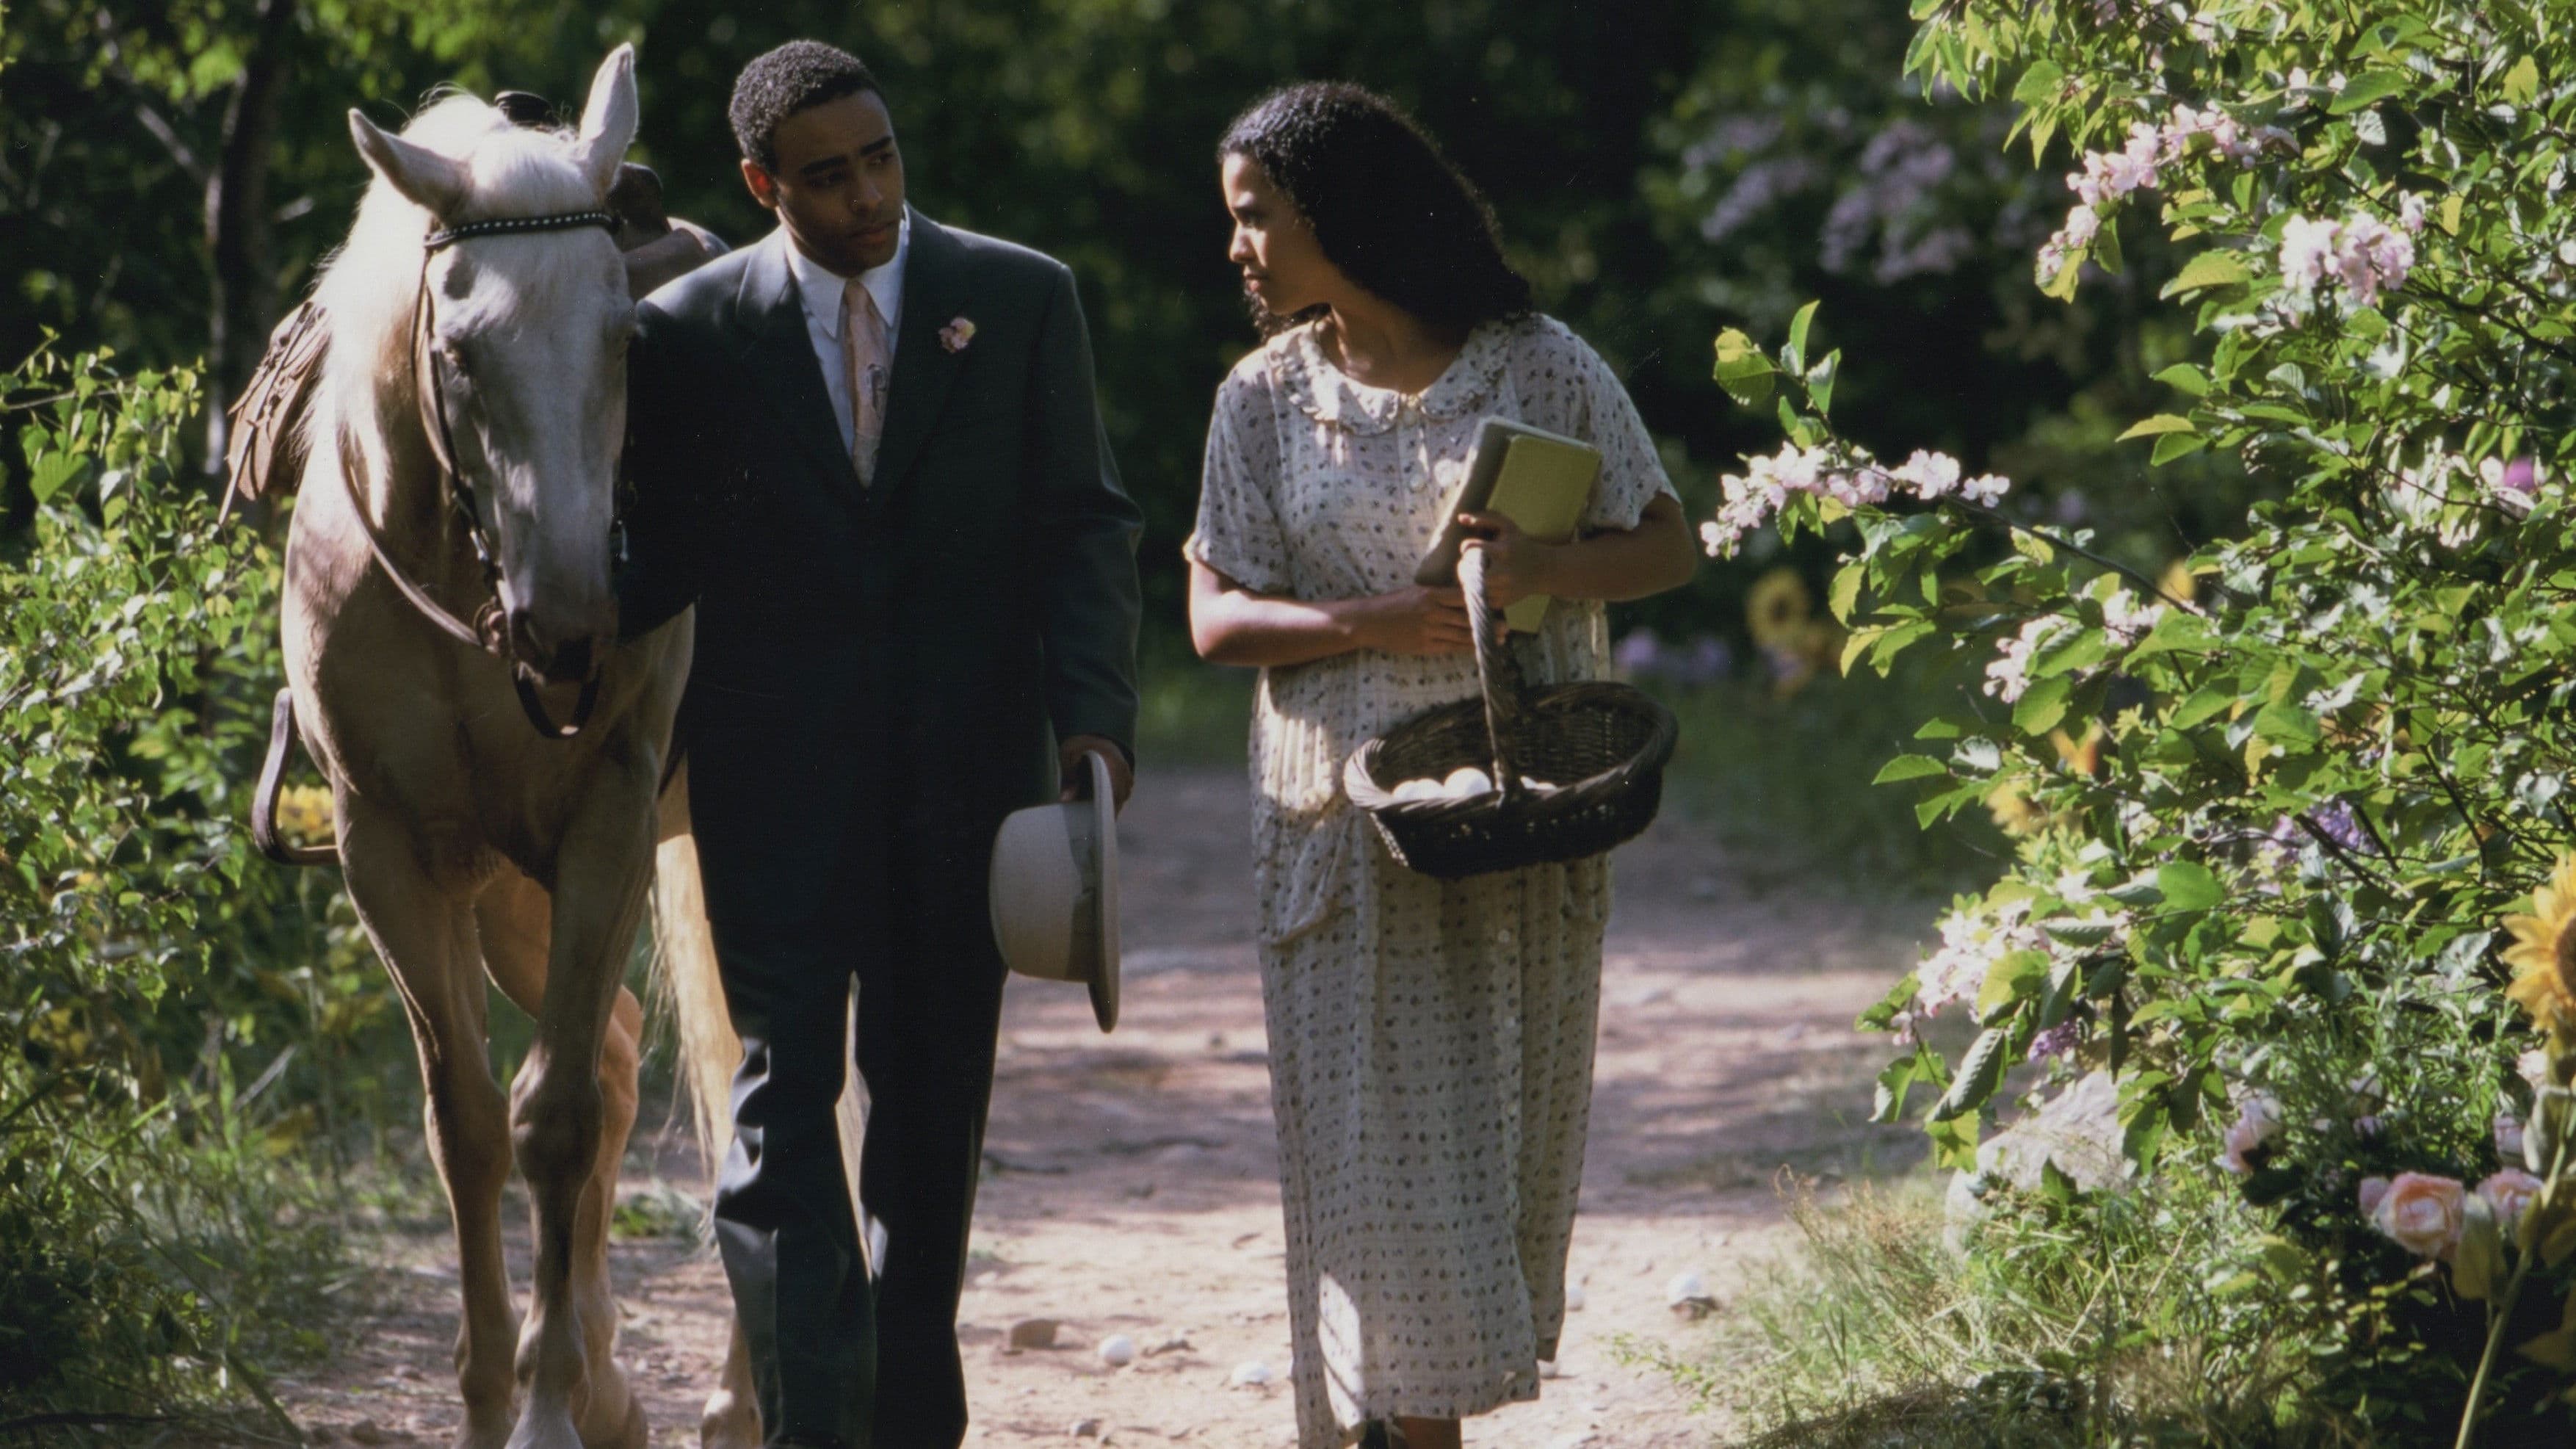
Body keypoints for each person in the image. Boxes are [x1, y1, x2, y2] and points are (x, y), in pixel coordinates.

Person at [618, 40, 1143, 1449]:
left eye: (881, 158)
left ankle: (913, 1419)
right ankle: (811, 1426)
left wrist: (1095, 725)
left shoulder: (1019, 297)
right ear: (760, 184)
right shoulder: (684, 330)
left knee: (927, 1119)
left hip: (965, 790)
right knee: (782, 1116)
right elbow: (647, 562)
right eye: (828, 175)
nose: (868, 196)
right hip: (768, 787)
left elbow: (1084, 522)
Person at [1182, 83, 1699, 1449]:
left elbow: (1670, 543)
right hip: (1332, 829)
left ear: (1335, 214)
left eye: (1255, 218)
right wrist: (1367, 621)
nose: (1237, 246)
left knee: (1476, 1144)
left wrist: (1544, 568)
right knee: (1361, 1159)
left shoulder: (1539, 366)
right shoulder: (1263, 400)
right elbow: (1213, 615)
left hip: (1506, 813)